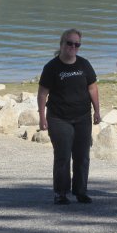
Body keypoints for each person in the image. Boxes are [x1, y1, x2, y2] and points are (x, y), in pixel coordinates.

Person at [37, 29, 101, 205]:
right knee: (63, 155)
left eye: (76, 44)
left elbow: (93, 88)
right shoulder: (52, 67)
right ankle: (61, 193)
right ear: (61, 44)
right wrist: (42, 117)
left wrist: (97, 110)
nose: (73, 47)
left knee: (82, 155)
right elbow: (43, 94)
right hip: (59, 118)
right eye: (69, 43)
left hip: (82, 117)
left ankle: (81, 191)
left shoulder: (84, 65)